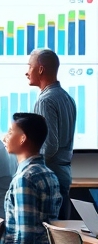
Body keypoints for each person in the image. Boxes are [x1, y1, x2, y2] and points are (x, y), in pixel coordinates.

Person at [3, 111, 62, 244]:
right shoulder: (48, 173)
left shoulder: (25, 178)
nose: (5, 137)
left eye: (10, 132)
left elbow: (26, 237)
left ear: (22, 139)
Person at [28, 48, 77, 219]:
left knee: (50, 235)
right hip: (64, 173)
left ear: (40, 69)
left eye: (29, 66)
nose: (26, 72)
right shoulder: (67, 97)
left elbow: (49, 146)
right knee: (61, 232)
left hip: (50, 174)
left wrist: (29, 167)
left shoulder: (45, 99)